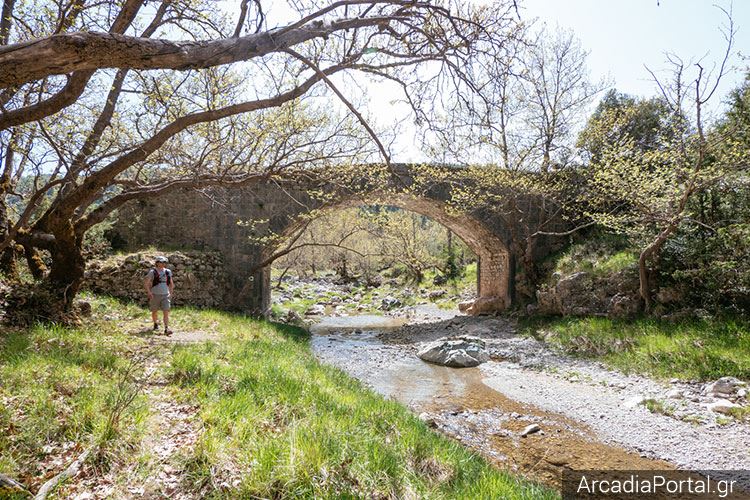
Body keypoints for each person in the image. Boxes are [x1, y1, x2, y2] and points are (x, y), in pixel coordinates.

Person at [144, 255, 174, 335]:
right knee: (154, 311)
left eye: (164, 262)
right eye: (160, 262)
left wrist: (170, 293)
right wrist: (149, 292)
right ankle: (155, 323)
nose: (162, 263)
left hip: (165, 294)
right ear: (157, 263)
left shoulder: (168, 272)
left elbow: (171, 283)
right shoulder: (152, 272)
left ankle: (166, 328)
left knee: (166, 311)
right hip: (155, 294)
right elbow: (146, 283)